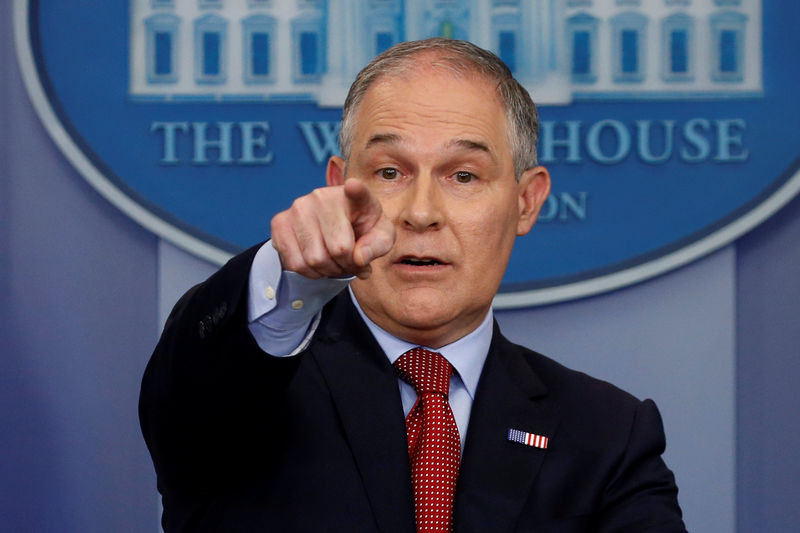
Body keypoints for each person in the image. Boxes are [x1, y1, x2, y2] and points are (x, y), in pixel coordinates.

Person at [140, 38, 686, 532]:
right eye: (389, 173)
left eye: (464, 176)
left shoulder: (609, 434)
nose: (421, 213)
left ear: (527, 201)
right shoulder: (246, 387)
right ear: (338, 187)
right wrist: (287, 270)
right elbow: (191, 376)